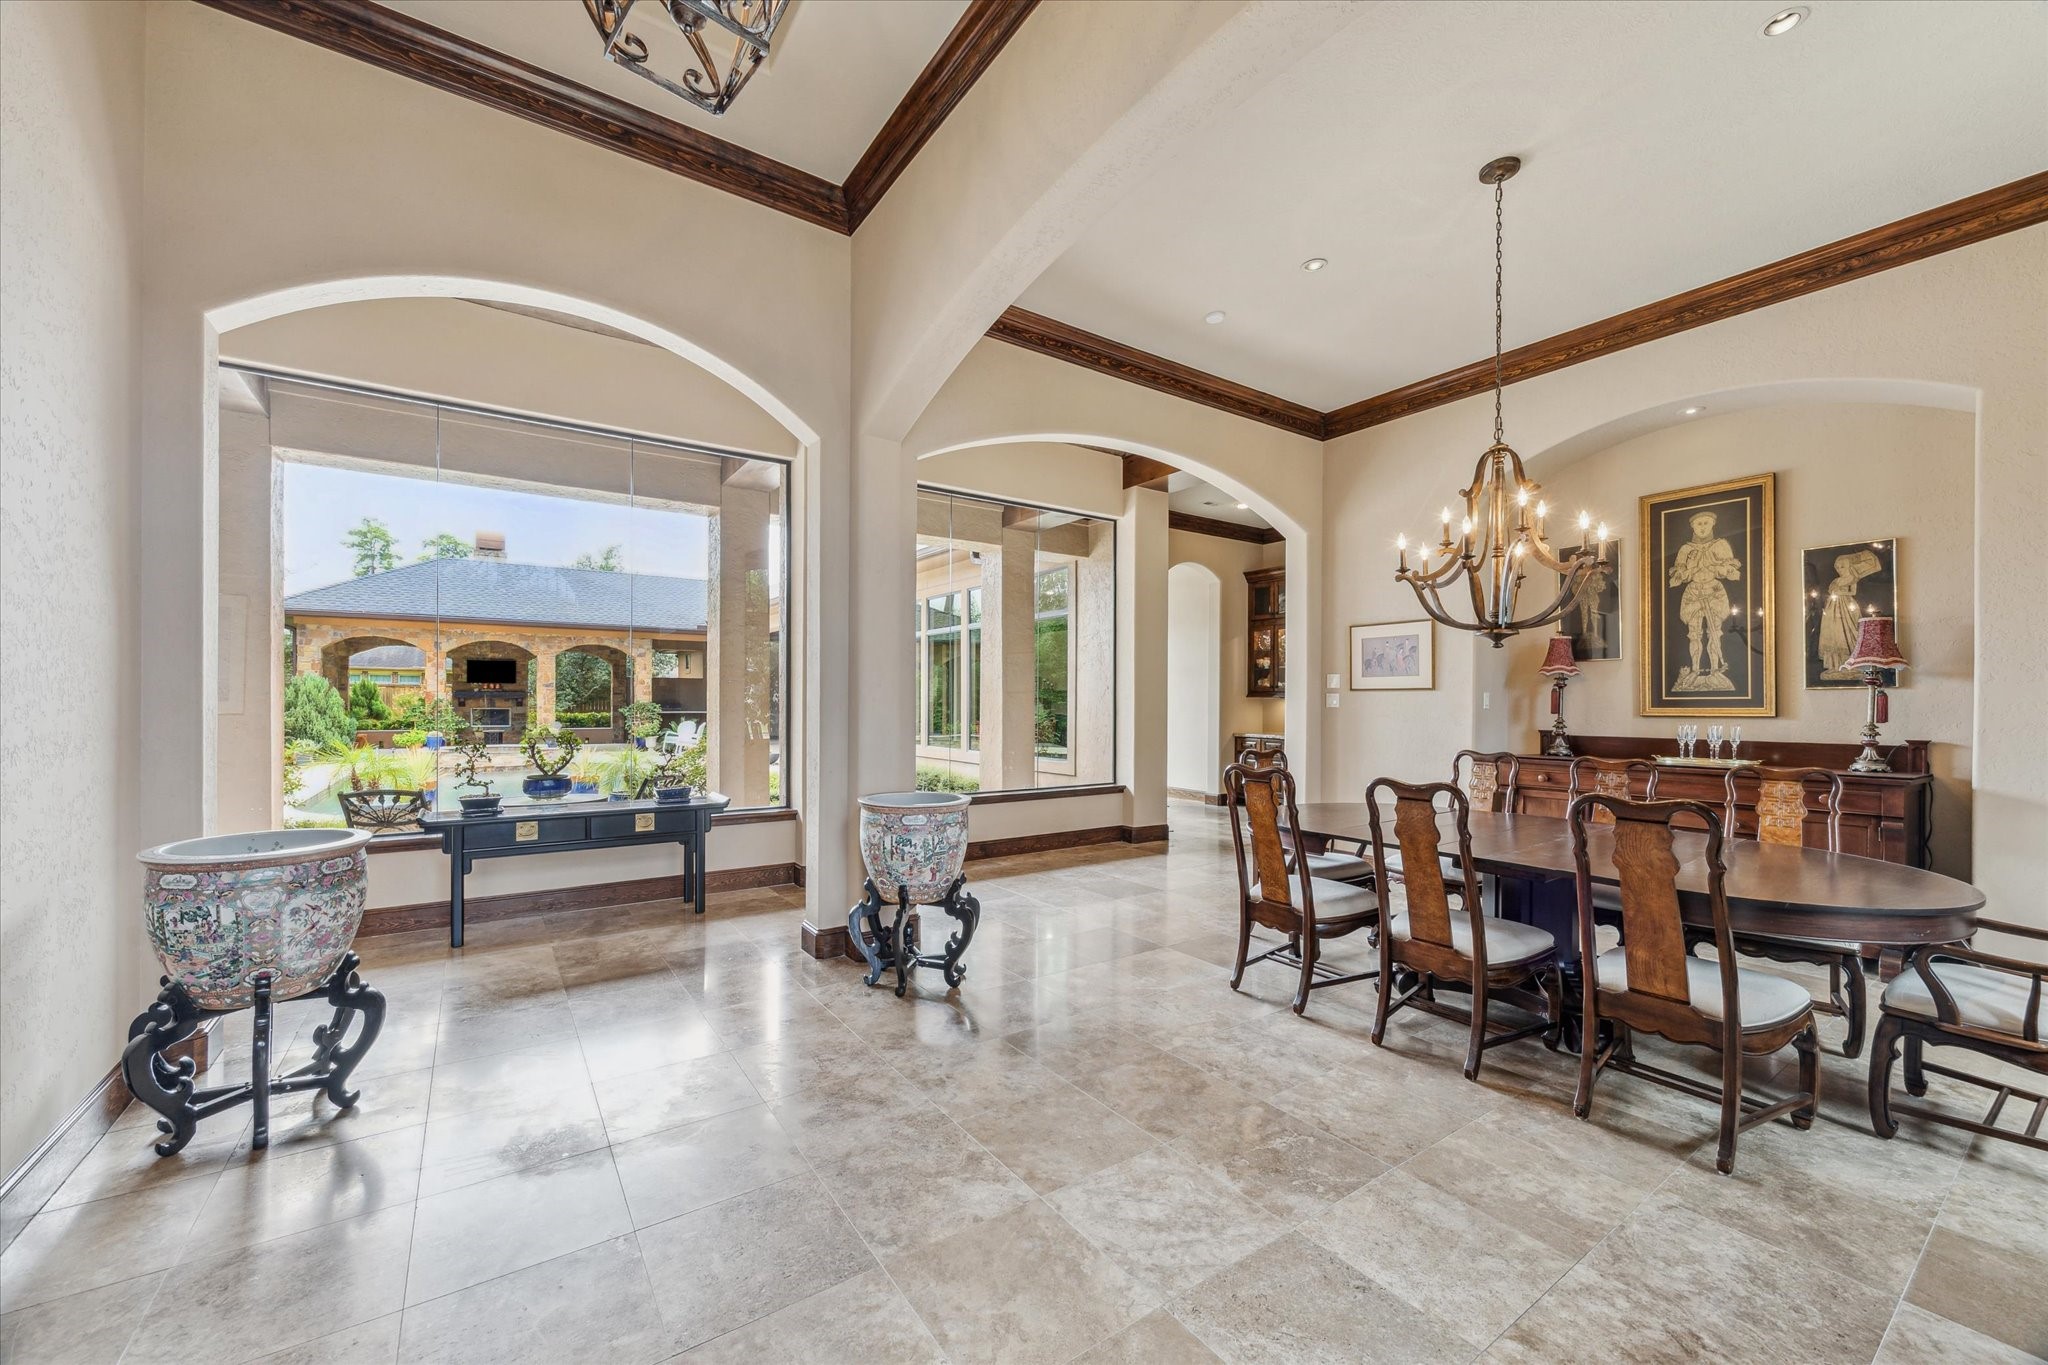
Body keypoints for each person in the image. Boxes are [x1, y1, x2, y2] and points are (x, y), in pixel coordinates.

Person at [1670, 510, 1741, 691]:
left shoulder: (1721, 545)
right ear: (1692, 526)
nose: (1702, 527)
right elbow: (1677, 577)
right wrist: (1690, 568)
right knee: (1694, 634)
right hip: (1693, 592)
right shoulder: (1686, 550)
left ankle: (1715, 671)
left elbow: (1733, 573)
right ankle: (1695, 670)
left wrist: (1718, 567)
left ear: (1712, 524)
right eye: (1698, 524)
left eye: (1706, 523)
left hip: (1714, 591)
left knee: (1714, 632)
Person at [1818, 549, 1882, 678]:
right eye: (1838, 566)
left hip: (1847, 606)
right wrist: (1834, 594)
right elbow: (1831, 591)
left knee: (1849, 631)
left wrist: (1839, 593)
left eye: (1843, 566)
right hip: (1833, 607)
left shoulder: (1852, 577)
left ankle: (1850, 665)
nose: (1840, 568)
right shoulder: (1836, 580)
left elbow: (1852, 592)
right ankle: (1835, 666)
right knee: (1834, 634)